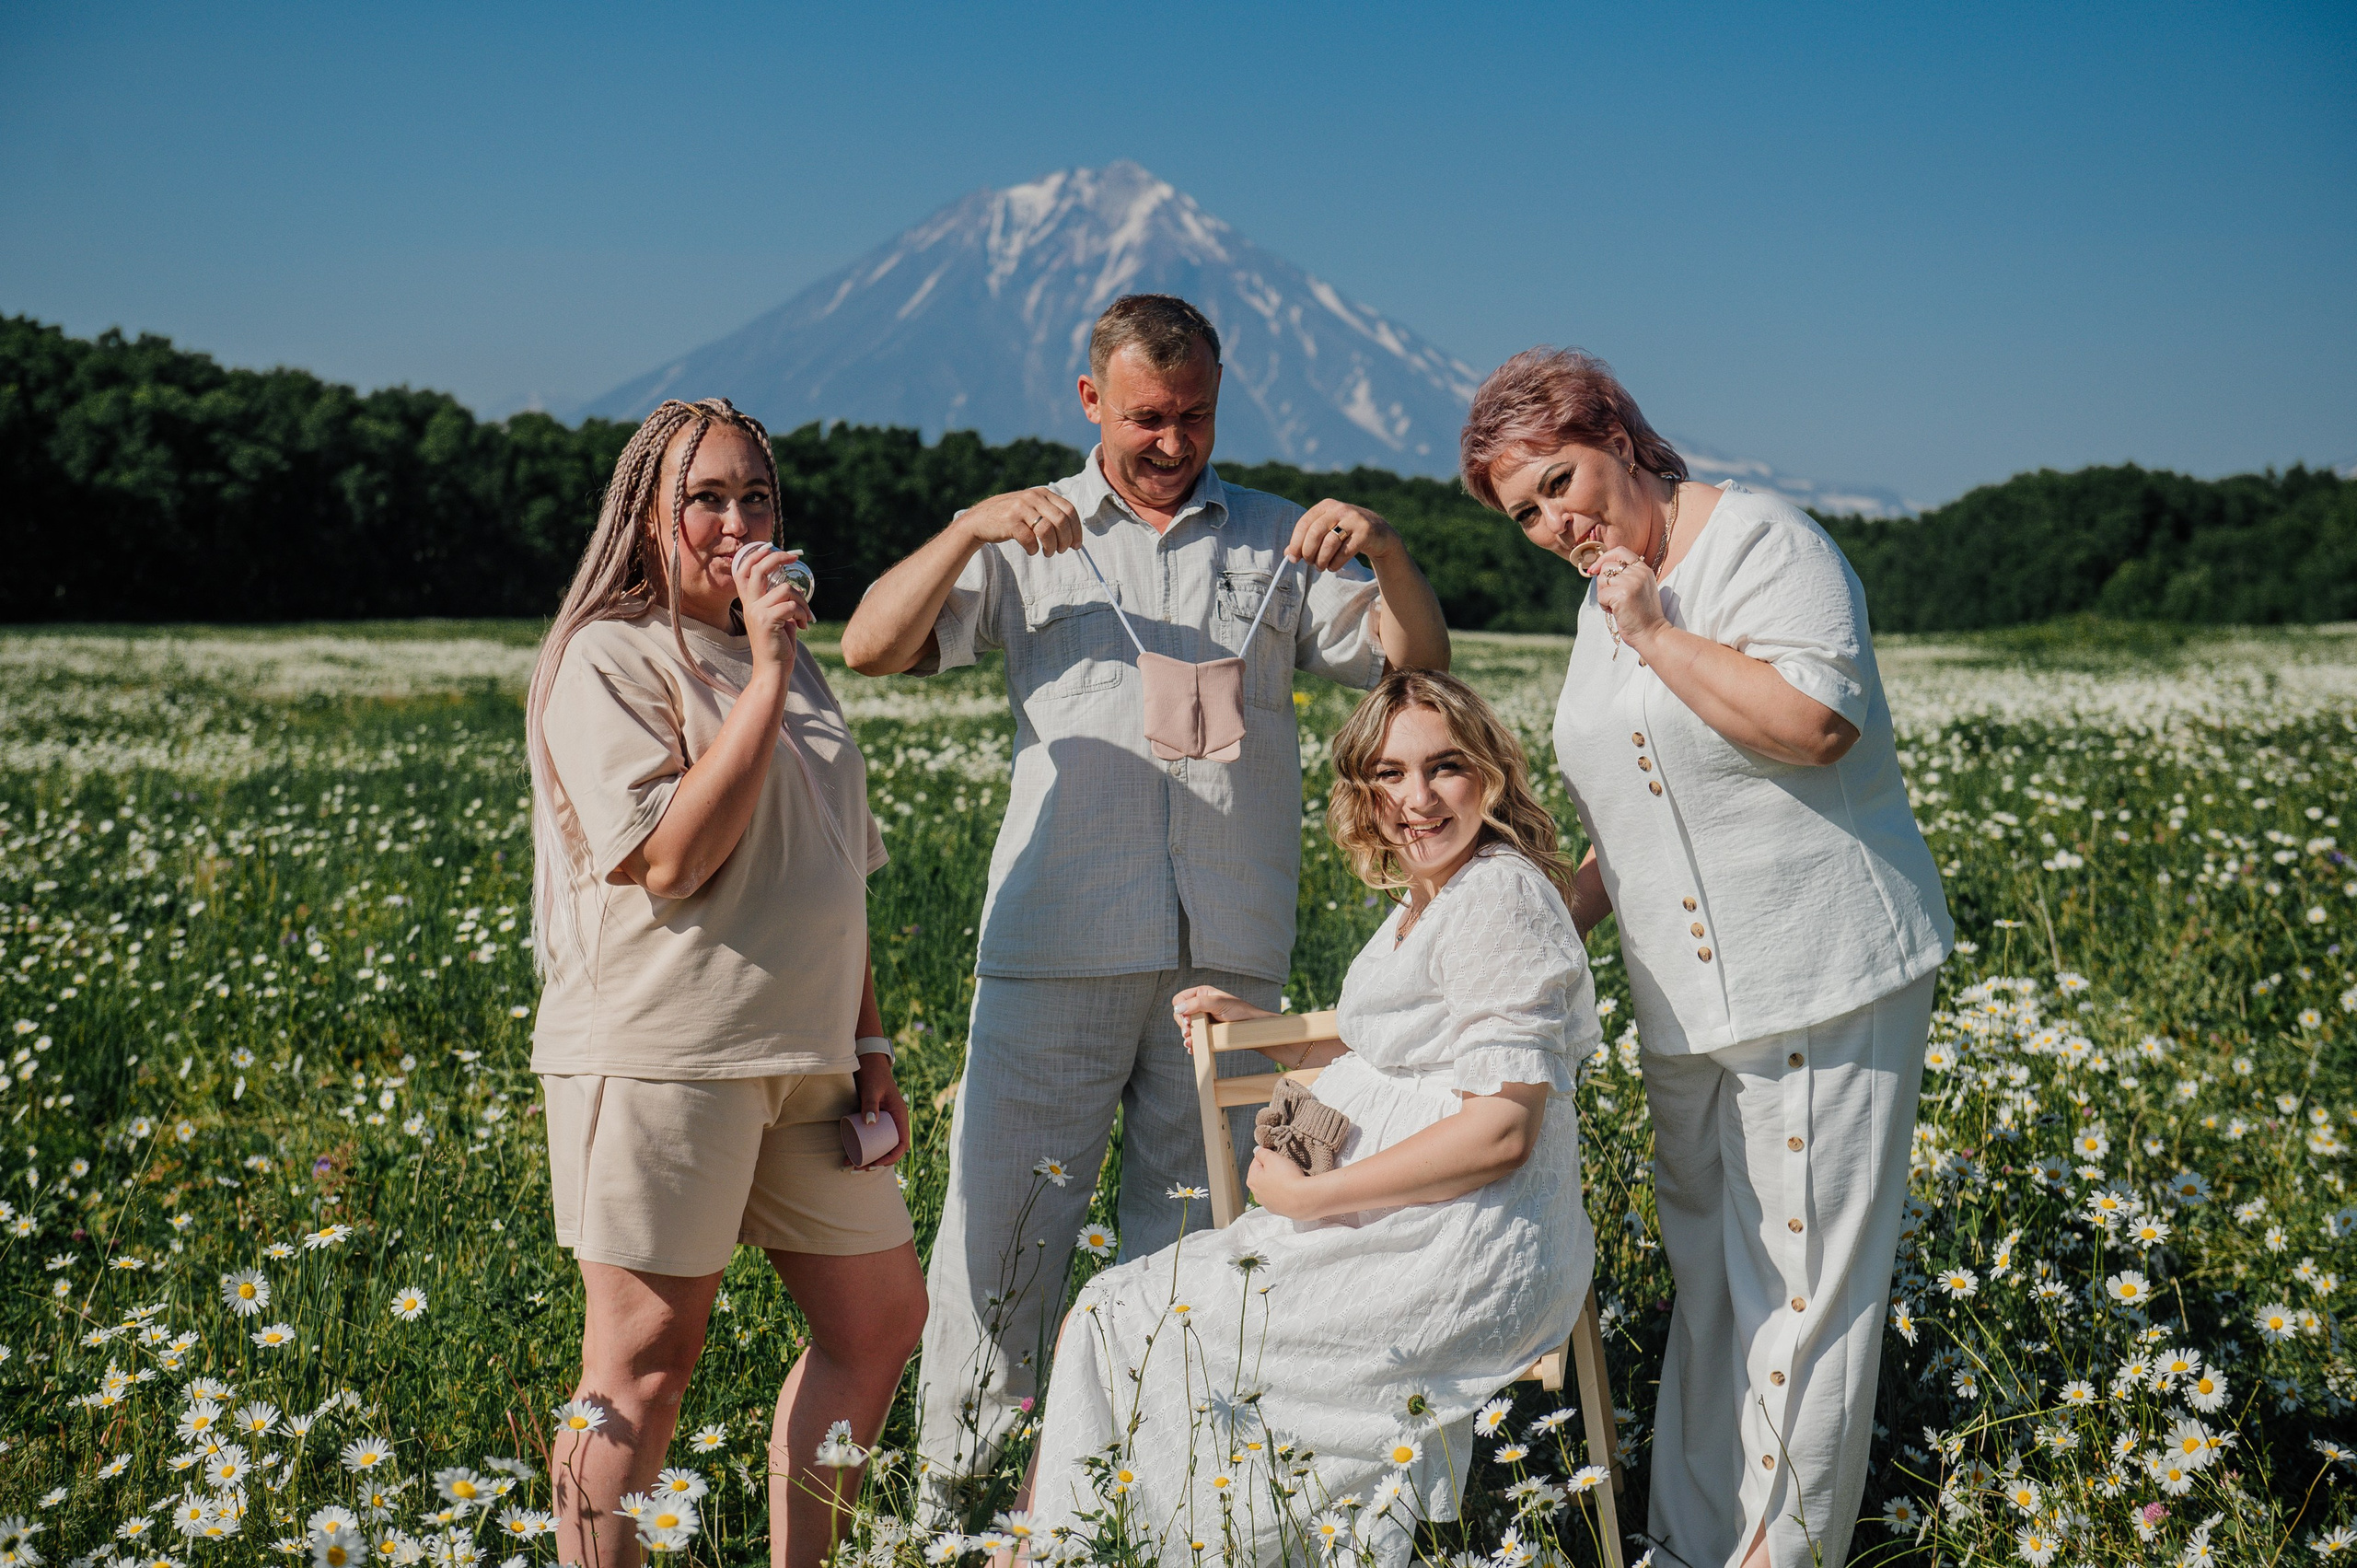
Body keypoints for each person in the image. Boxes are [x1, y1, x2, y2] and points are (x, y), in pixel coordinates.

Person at [840, 294, 1454, 1506]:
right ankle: (961, 1509)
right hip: (1055, 950)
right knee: (1003, 1246)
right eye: (1144, 418)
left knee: (1207, 1250)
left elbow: (1421, 667)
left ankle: (1160, 1504)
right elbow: (867, 645)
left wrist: (1385, 548)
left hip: (1228, 957)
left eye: (1194, 416)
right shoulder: (1026, 532)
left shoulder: (1284, 538)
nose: (1172, 441)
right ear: (1089, 403)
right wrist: (967, 528)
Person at [1459, 350, 1954, 1568]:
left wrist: (1654, 631)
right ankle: (1684, 1546)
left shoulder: (1760, 546)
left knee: (1803, 1293)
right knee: (1716, 1295)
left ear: (1622, 435)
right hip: (1686, 1006)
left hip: (1820, 973)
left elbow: (1817, 722)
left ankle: (1778, 1553)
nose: (1554, 522)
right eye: (1526, 513)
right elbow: (1625, 822)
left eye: (1561, 481)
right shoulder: (1602, 597)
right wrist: (1509, 936)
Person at [1018, 668, 1599, 1568]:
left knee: (1123, 1314)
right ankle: (1090, 1542)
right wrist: (1260, 1039)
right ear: (1362, 791)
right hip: (1386, 1223)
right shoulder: (1427, 896)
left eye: (1442, 767)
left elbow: (1501, 1129)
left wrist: (1305, 1200)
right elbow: (1391, 1070)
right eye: (1388, 773)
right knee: (1116, 1310)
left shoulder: (1498, 898)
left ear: (1487, 772)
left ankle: (1081, 1547)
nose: (1415, 798)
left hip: (1463, 1241)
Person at [526, 398, 926, 1568]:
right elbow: (671, 856)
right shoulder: (606, 655)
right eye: (707, 497)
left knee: (879, 1321)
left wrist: (873, 1050)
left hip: (807, 1060)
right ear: (649, 515)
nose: (739, 519)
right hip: (663, 1052)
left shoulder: (792, 661)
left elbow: (838, 877)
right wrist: (760, 674)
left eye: (758, 496)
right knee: (643, 1362)